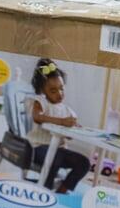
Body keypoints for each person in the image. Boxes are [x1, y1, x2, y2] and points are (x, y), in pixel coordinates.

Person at [26, 59, 90, 194]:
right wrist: (61, 122)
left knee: (84, 163)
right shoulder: (40, 102)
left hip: (59, 150)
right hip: (37, 148)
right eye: (53, 90)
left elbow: (69, 136)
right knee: (54, 157)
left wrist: (73, 130)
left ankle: (62, 190)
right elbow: (37, 117)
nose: (59, 93)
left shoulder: (67, 110)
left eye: (61, 88)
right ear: (42, 90)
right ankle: (45, 190)